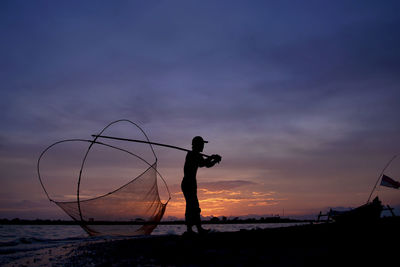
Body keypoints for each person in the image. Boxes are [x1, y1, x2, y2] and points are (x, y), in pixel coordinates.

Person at [181, 136, 221, 234]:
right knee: (193, 206)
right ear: (197, 145)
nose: (203, 146)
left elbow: (206, 164)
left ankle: (195, 229)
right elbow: (203, 163)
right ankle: (192, 229)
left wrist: (213, 160)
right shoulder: (192, 154)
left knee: (192, 206)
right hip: (188, 183)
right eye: (202, 144)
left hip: (190, 183)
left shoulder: (195, 155)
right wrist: (212, 158)